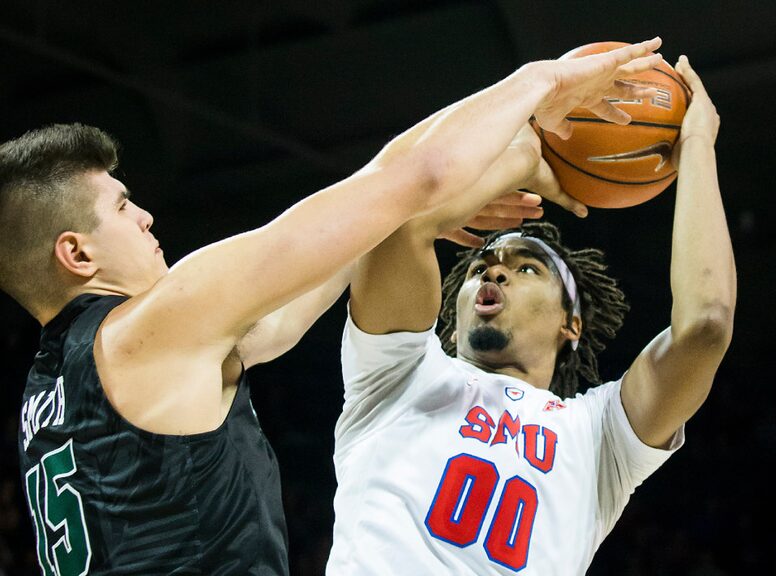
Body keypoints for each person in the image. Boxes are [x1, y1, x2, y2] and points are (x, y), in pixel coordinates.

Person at [2, 39, 664, 575]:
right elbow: (412, 177)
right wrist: (539, 90)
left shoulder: (58, 385)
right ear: (76, 254)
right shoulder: (151, 327)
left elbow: (349, 239)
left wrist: (425, 217)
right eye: (121, 206)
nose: (145, 216)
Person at [327, 55, 735, 575]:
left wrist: (696, 145)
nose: (494, 274)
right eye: (481, 266)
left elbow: (706, 327)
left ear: (572, 324)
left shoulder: (598, 436)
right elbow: (401, 221)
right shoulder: (397, 373)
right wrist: (519, 159)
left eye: (526, 269)